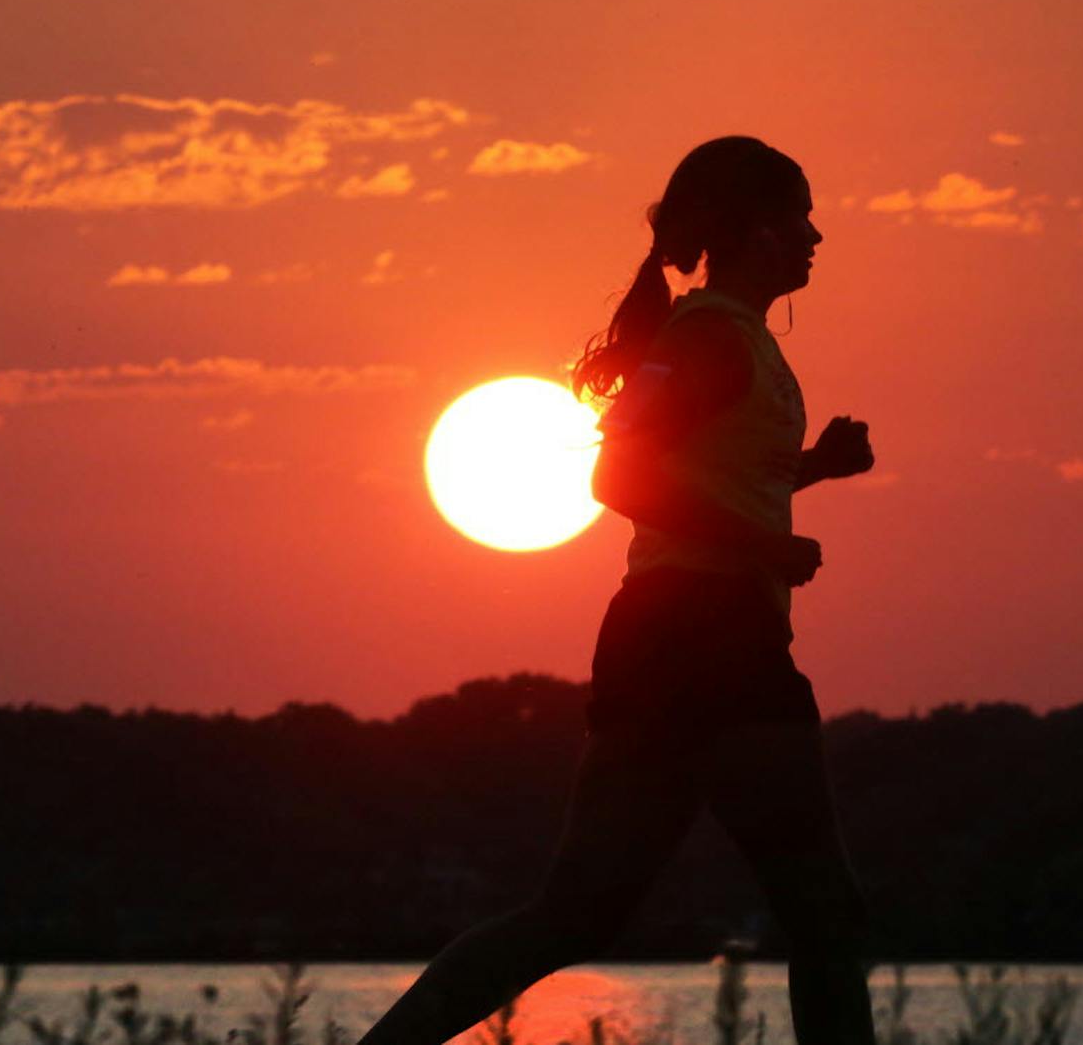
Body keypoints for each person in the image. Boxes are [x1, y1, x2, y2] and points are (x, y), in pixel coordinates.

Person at [355, 136, 878, 1045]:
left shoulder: (727, 336)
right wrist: (764, 542)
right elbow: (620, 481)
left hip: (665, 637)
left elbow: (702, 480)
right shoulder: (713, 335)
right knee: (824, 914)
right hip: (708, 634)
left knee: (578, 914)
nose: (816, 235)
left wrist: (810, 472)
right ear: (756, 231)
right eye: (800, 216)